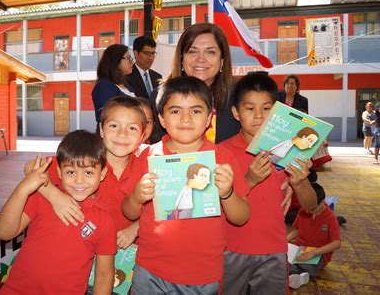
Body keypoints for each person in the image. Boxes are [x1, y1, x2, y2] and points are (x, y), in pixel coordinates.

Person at [122, 76, 250, 294]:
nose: (186, 118)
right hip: (150, 270)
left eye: (196, 111)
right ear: (161, 118)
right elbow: (128, 211)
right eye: (175, 111)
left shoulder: (222, 158)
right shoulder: (148, 156)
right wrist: (136, 197)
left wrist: (227, 193)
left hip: (201, 274)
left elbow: (241, 217)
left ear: (209, 117)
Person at [220, 72, 317, 294]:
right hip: (230, 250)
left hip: (273, 250)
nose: (258, 116)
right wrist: (250, 180)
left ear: (277, 113)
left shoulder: (288, 151)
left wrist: (300, 183)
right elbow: (215, 204)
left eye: (266, 108)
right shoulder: (221, 152)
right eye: (249, 108)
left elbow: (311, 206)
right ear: (236, 113)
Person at [0, 130, 116, 294]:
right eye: (70, 172)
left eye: (88, 172)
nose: (79, 180)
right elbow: (4, 232)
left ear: (102, 174)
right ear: (59, 172)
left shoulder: (104, 219)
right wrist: (23, 189)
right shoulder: (42, 197)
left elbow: (104, 275)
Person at [31, 96, 147, 251]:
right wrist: (55, 197)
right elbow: (31, 167)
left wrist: (135, 228)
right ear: (101, 129)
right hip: (85, 251)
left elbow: (165, 207)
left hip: (129, 255)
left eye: (132, 128)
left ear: (143, 136)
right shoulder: (88, 159)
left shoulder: (147, 163)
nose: (122, 134)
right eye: (113, 126)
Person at [149, 22, 240, 144]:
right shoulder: (160, 95)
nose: (200, 59)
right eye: (192, 51)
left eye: (210, 52)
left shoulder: (239, 96)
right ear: (182, 58)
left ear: (222, 61)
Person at [287, 183, 341, 289]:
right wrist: (284, 240)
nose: (308, 211)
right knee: (283, 259)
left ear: (322, 202)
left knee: (307, 266)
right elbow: (296, 230)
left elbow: (337, 243)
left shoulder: (330, 217)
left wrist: (313, 253)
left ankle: (297, 274)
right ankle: (296, 275)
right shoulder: (303, 211)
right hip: (300, 250)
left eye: (312, 209)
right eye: (306, 207)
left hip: (319, 253)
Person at [92, 44, 135, 133]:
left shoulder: (128, 85)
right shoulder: (103, 87)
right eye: (128, 58)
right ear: (116, 61)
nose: (132, 62)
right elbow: (107, 117)